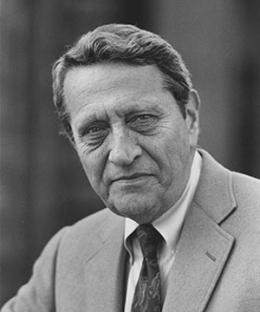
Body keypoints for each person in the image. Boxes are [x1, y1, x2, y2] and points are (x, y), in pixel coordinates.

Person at [2, 23, 260, 312]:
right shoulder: (67, 255)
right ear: (74, 143)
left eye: (142, 119)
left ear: (190, 117)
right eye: (95, 131)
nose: (122, 153)